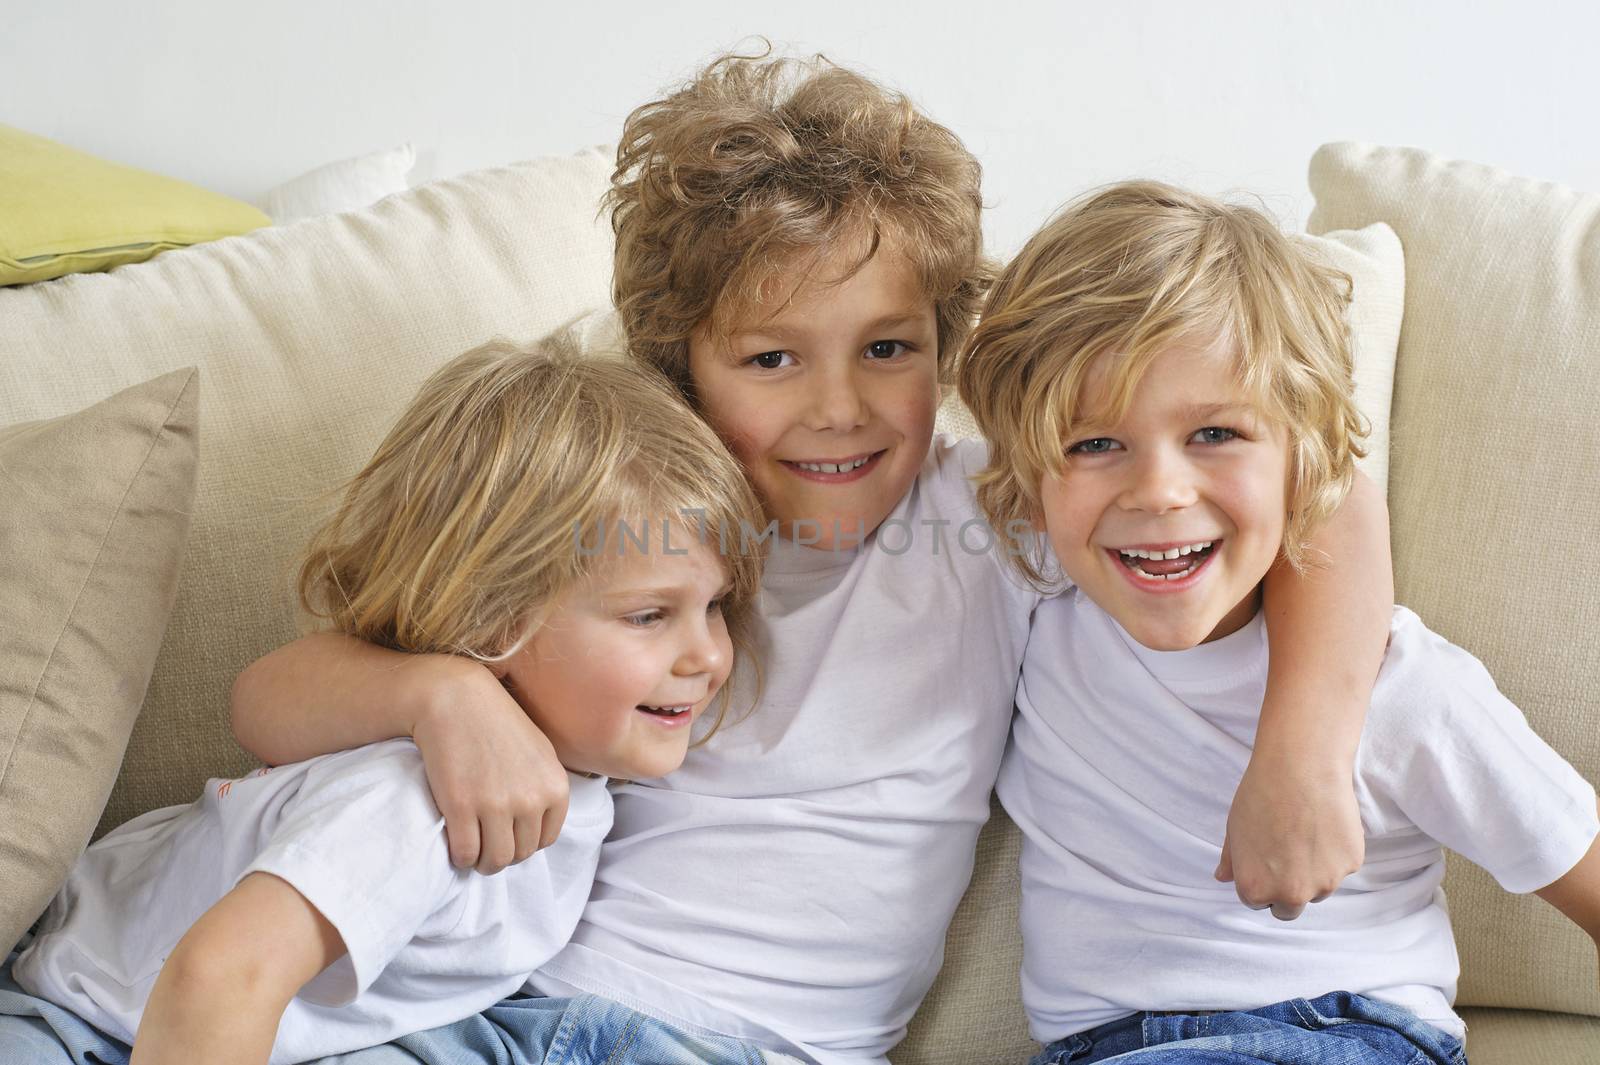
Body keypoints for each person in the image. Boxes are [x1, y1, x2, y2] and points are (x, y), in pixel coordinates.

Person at [228, 53, 1397, 1064]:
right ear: (677, 362)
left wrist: (1301, 752)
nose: (837, 409)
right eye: (771, 360)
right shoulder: (605, 506)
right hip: (487, 1015)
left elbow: (1324, 499)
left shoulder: (989, 511)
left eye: (886, 347)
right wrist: (437, 696)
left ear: (944, 347)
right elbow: (268, 702)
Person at [957, 180, 1600, 1064]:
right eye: (1093, 443)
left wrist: (1304, 754)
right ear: (1028, 480)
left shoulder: (1396, 685)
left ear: (1303, 457)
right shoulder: (1037, 606)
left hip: (1337, 1033)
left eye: (1215, 433)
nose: (1158, 491)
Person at [0, 339, 765, 1065]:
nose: (707, 655)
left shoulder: (561, 765)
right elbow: (217, 975)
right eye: (649, 616)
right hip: (78, 1026)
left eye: (716, 606)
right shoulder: (410, 804)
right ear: (494, 616)